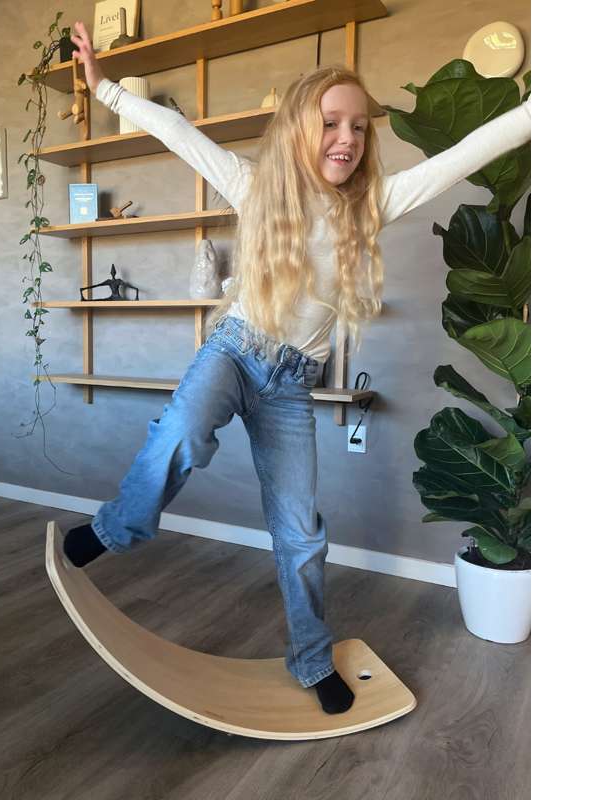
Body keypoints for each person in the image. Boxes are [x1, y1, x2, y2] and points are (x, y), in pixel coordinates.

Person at [64, 20, 532, 714]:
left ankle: (312, 660)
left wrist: (540, 111)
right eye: (331, 123)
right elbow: (178, 133)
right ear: (297, 131)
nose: (348, 138)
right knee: (183, 433)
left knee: (302, 533)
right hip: (235, 351)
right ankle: (114, 529)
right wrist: (105, 89)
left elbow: (463, 156)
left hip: (291, 388)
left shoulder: (371, 205)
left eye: (360, 127)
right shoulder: (254, 185)